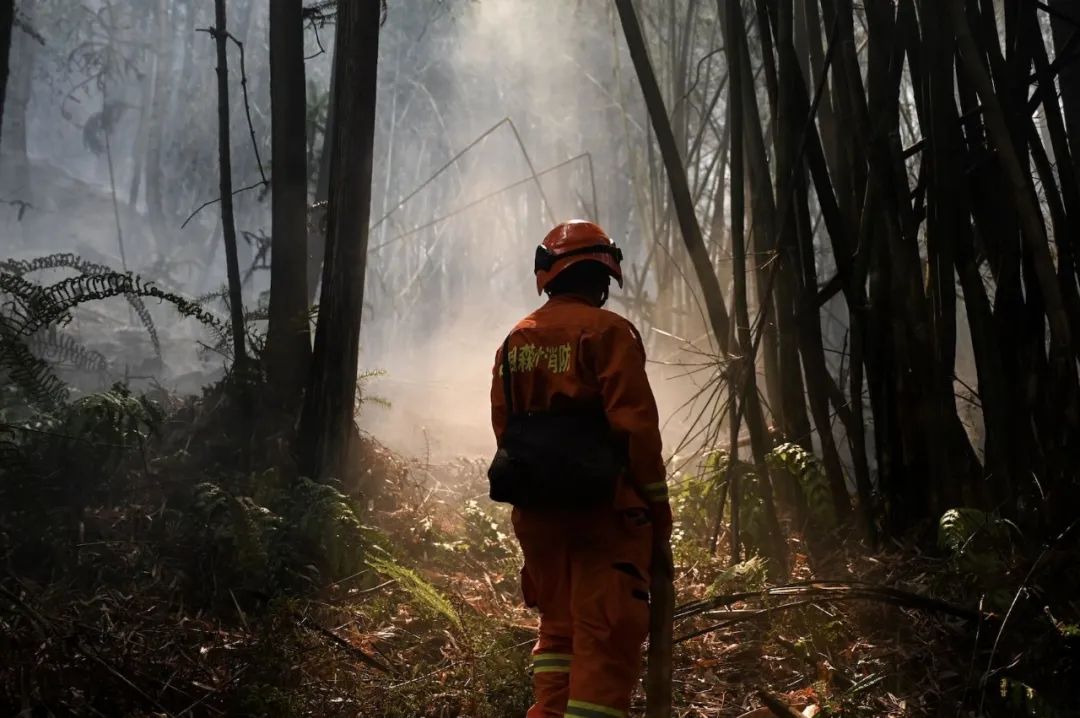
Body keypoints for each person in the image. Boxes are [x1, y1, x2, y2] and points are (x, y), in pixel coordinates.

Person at [490, 220, 672, 718]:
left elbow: (504, 428)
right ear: (603, 278)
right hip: (606, 513)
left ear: (547, 276)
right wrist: (657, 511)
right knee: (606, 633)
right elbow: (636, 431)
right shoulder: (610, 333)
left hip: (539, 516)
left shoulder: (516, 340)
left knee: (559, 630)